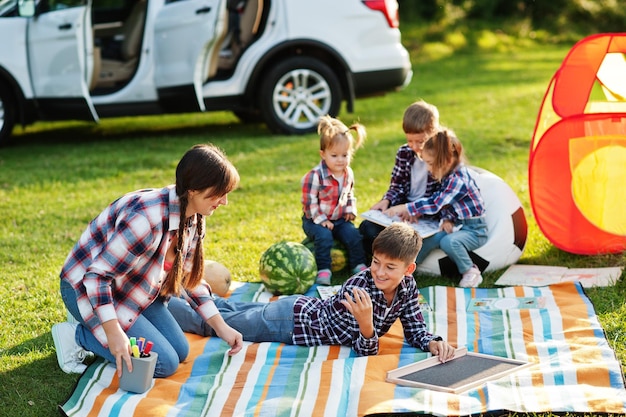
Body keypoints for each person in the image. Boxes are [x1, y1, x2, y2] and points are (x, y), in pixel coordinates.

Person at [51, 144, 244, 377]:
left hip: (132, 288)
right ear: (193, 190)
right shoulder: (145, 219)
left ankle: (98, 324)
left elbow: (189, 278)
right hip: (85, 288)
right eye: (220, 193)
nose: (224, 202)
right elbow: (97, 278)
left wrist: (221, 327)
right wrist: (113, 333)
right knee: (162, 363)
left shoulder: (194, 216)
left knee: (180, 351)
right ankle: (75, 335)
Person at [168, 222, 456, 361]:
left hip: (293, 310)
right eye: (375, 262)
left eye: (390, 267)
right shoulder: (358, 287)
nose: (379, 272)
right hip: (290, 323)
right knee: (215, 324)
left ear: (408, 270)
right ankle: (159, 305)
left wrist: (432, 342)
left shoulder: (407, 288)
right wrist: (368, 325)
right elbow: (364, 348)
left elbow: (415, 328)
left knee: (225, 309)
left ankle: (170, 289)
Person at [384, 129, 488, 287]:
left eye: (430, 163)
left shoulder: (458, 179)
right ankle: (406, 269)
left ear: (446, 161)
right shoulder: (447, 175)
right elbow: (450, 204)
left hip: (474, 230)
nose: (427, 168)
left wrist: (404, 207)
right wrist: (447, 219)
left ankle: (471, 271)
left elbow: (436, 203)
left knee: (449, 242)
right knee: (430, 239)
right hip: (457, 225)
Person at [359, 100, 440, 262]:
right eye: (410, 141)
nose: (415, 146)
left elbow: (440, 197)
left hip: (427, 218)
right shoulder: (404, 153)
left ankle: (396, 259)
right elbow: (397, 185)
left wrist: (416, 210)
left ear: (433, 133)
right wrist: (387, 200)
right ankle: (386, 257)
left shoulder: (440, 157)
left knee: (417, 241)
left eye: (420, 141)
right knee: (367, 228)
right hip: (403, 213)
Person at [301, 115, 368, 285]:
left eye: (345, 155)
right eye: (335, 155)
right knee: (324, 237)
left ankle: (358, 265)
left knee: (353, 234)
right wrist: (322, 220)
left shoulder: (348, 173)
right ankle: (324, 269)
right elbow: (309, 204)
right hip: (314, 220)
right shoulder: (314, 176)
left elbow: (349, 193)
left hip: (338, 219)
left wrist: (350, 210)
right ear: (323, 154)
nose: (340, 160)